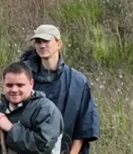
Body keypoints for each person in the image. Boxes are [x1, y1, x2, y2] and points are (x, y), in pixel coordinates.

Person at [21, 25, 100, 154]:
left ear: (58, 44)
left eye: (46, 41)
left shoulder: (77, 81)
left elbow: (84, 126)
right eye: (38, 42)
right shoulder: (24, 78)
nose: (42, 45)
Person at [0, 62, 63, 154]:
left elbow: (43, 147)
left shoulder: (46, 110)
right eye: (9, 85)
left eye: (20, 85)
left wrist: (11, 129)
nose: (14, 90)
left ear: (31, 83)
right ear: (3, 84)